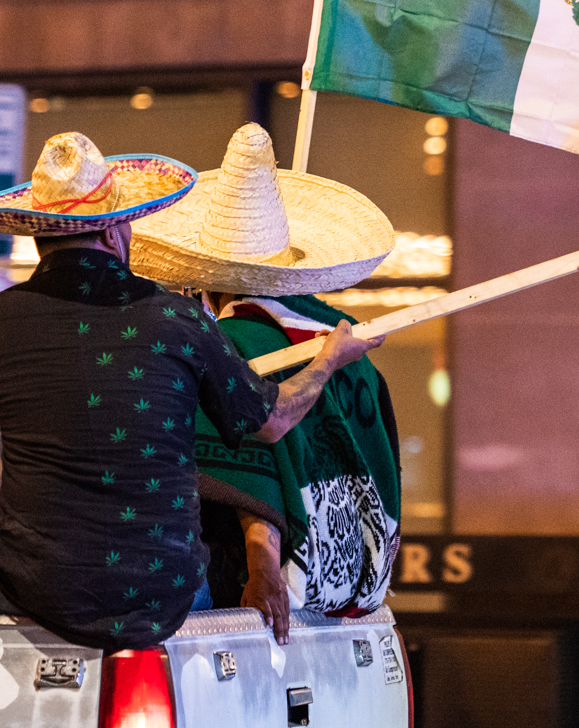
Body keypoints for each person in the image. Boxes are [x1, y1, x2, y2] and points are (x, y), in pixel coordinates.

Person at [0, 132, 381, 651]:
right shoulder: (178, 317)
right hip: (165, 591)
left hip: (35, 581)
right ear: (113, 231)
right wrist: (328, 360)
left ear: (39, 234)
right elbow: (272, 421)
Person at [132, 123, 402, 643]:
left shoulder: (229, 339)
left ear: (201, 276)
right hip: (347, 582)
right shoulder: (346, 342)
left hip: (261, 585)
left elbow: (251, 466)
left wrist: (265, 571)